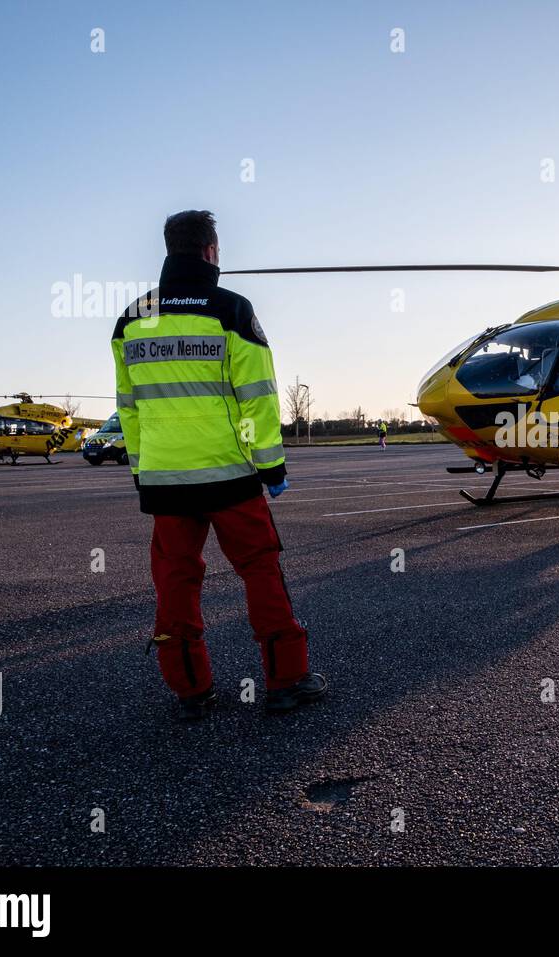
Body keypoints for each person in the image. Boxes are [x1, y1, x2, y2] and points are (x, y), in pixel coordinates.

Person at [112, 210, 327, 720]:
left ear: (169, 250)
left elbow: (129, 409)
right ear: (210, 251)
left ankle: (190, 691)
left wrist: (142, 472)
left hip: (166, 480)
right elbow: (258, 398)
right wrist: (271, 467)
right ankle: (286, 680)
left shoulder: (131, 318)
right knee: (260, 572)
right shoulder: (231, 310)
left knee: (175, 581)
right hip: (231, 474)